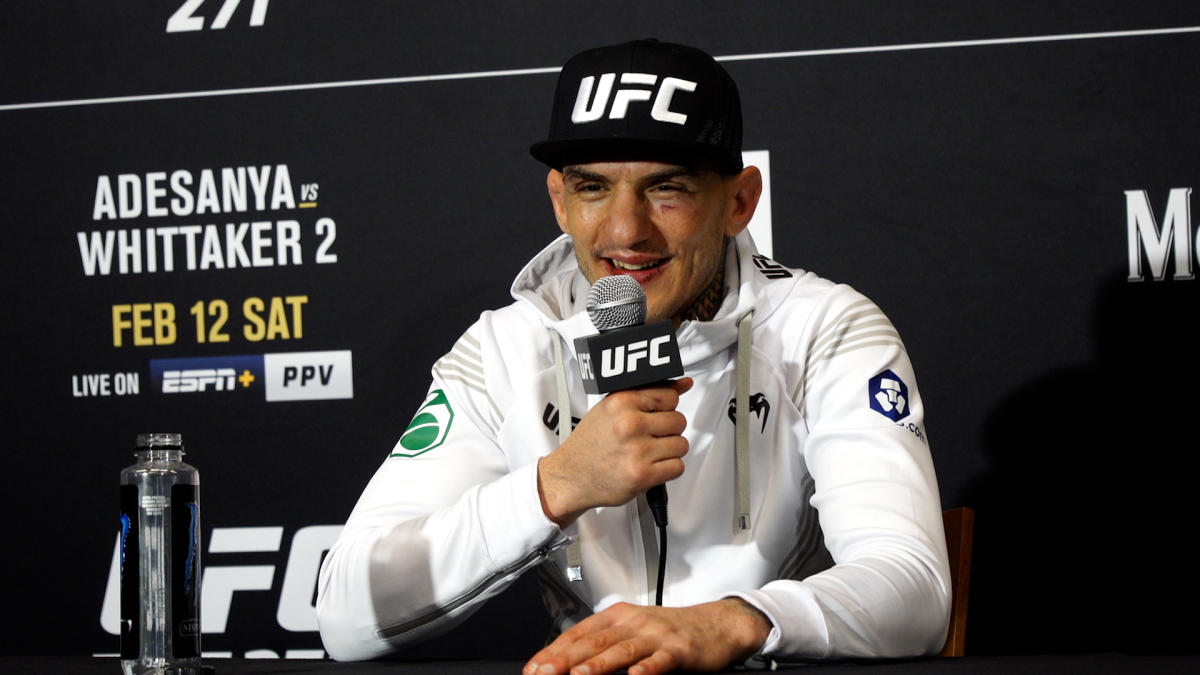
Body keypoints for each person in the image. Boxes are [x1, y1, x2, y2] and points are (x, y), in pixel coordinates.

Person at [316, 38, 951, 674]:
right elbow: (345, 614)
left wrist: (730, 623)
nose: (626, 231)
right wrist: (555, 485)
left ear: (739, 201)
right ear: (560, 200)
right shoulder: (503, 350)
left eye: (665, 189)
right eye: (594, 189)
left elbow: (913, 587)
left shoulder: (828, 328)